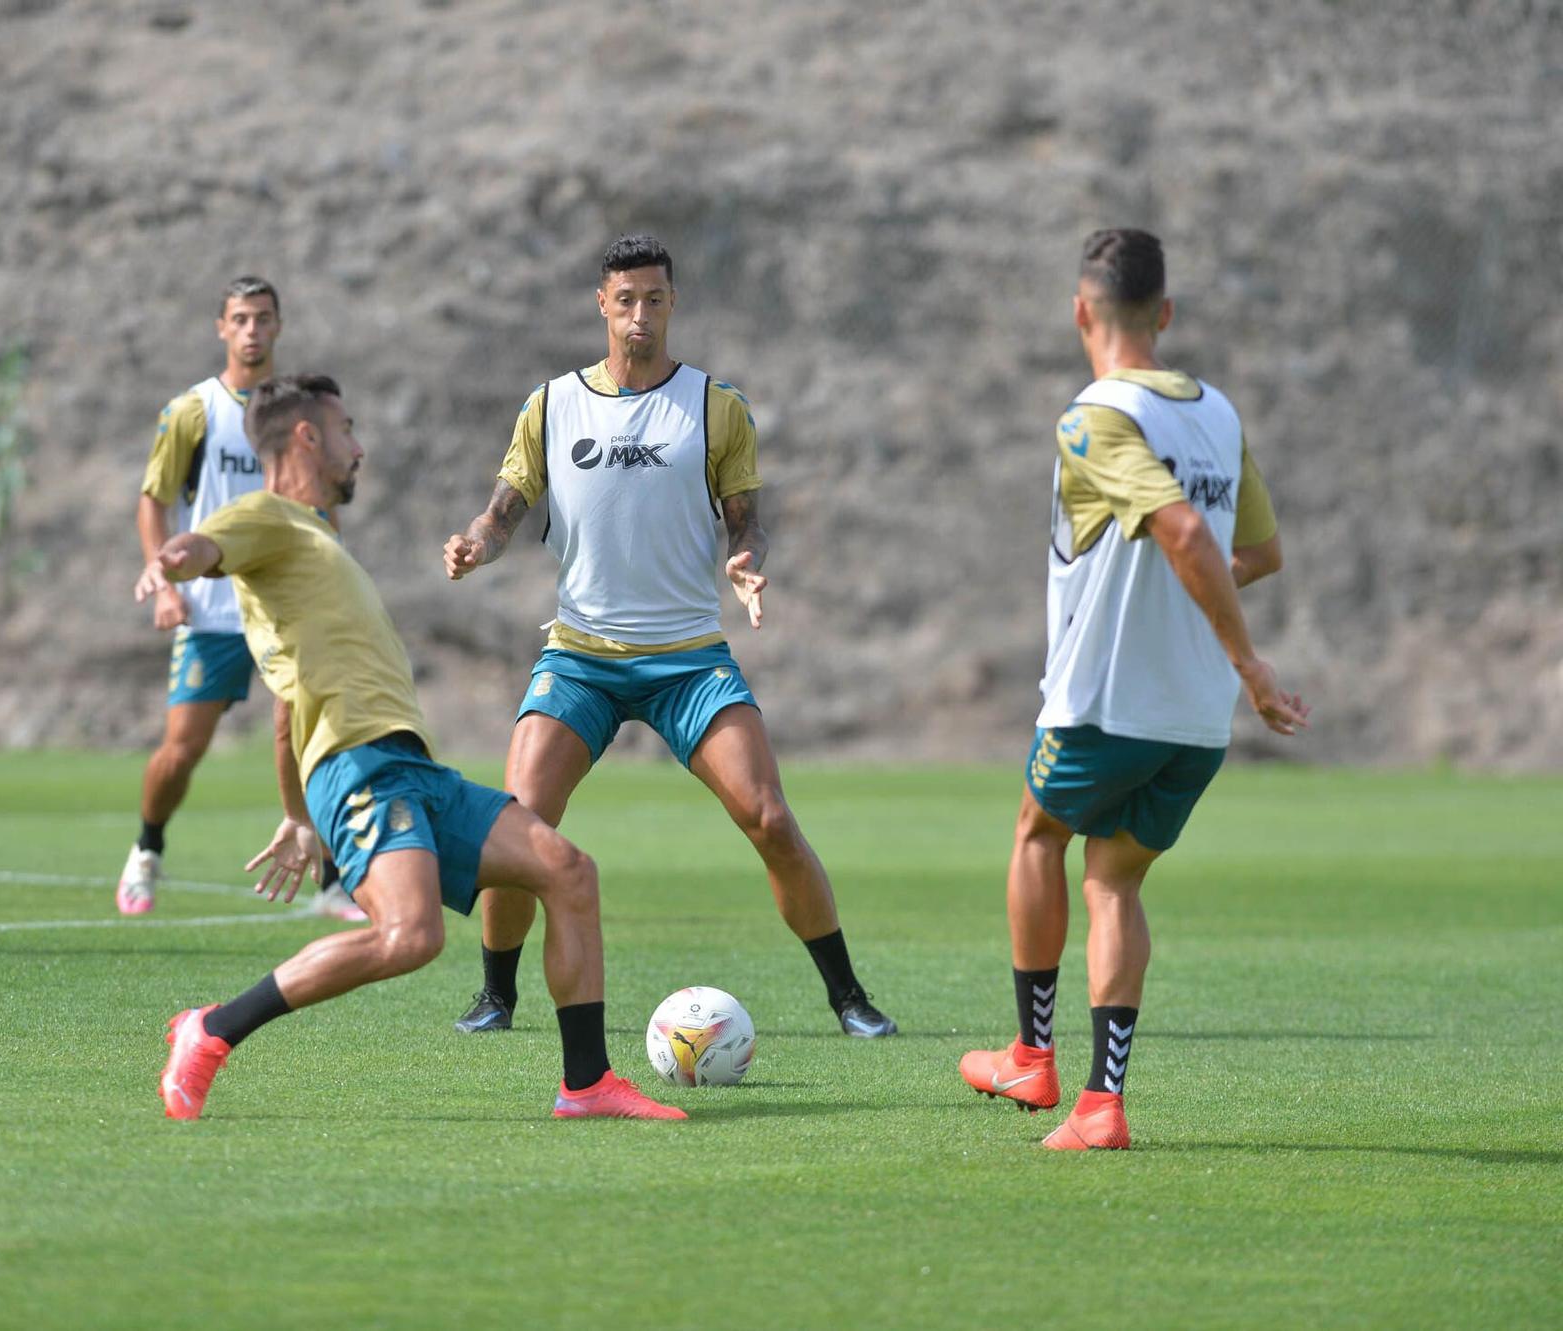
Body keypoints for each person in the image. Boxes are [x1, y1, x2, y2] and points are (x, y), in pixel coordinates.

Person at [139, 374, 683, 1122]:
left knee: (567, 870)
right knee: (410, 936)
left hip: (410, 768)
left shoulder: (315, 543)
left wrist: (298, 813)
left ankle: (586, 1084)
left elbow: (289, 702)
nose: (357, 447)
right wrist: (174, 558)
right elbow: (207, 544)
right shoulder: (266, 516)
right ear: (306, 437)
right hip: (364, 769)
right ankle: (211, 1028)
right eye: (346, 429)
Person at [441, 234, 895, 1038]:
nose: (640, 314)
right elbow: (506, 505)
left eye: (654, 298)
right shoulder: (551, 403)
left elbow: (744, 519)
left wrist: (748, 561)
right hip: (582, 656)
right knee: (517, 819)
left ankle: (848, 994)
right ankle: (496, 997)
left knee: (771, 818)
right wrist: (479, 539)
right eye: (626, 300)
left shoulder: (718, 405)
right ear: (602, 306)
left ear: (673, 303)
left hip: (688, 659)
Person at [958, 228, 1309, 1150]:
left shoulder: (1094, 416)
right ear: (1166, 313)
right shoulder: (1219, 415)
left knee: (1037, 836)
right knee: (1113, 880)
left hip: (1106, 697)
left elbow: (1187, 536)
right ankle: (1101, 1104)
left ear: (1081, 311)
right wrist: (1222, 653)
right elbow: (1260, 552)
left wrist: (1251, 662)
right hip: (1194, 718)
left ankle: (1032, 1058)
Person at [119, 276, 361, 921]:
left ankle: (333, 877)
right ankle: (147, 849)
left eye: (262, 318)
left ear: (278, 325)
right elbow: (155, 499)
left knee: (307, 737)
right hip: (214, 609)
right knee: (182, 748)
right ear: (221, 328)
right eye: (240, 319)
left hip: (288, 605)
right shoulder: (194, 410)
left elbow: (323, 497)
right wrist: (164, 582)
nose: (252, 330)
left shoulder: (300, 414)